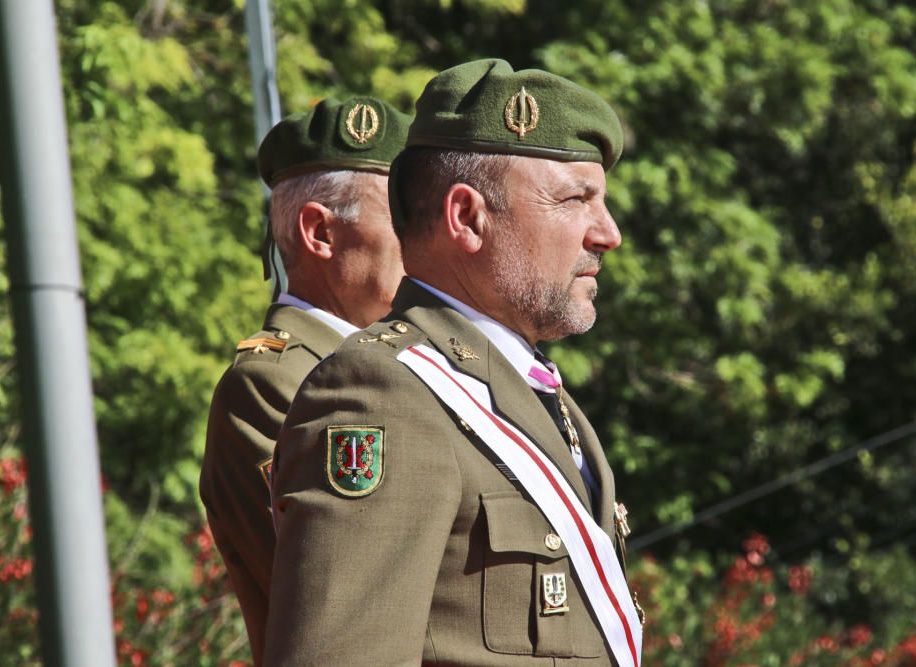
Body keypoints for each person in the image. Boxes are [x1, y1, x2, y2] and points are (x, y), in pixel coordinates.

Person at [266, 60, 643, 666]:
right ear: (468, 218)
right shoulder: (381, 392)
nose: (608, 233)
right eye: (576, 198)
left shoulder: (533, 392)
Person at [200, 95, 412, 665]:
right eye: (402, 214)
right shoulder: (272, 385)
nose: (425, 239)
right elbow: (354, 601)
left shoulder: (416, 362)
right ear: (320, 232)